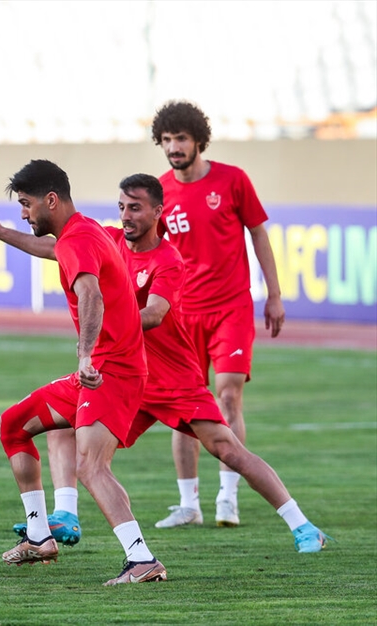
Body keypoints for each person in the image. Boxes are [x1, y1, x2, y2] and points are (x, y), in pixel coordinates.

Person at [0, 173, 327, 555]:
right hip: (121, 373)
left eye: (136, 209)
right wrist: (0, 232)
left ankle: (302, 525)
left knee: (227, 449)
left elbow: (155, 314)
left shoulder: (169, 260)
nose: (126, 216)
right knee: (64, 427)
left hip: (171, 377)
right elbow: (52, 250)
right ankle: (64, 516)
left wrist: (100, 323)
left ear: (159, 212)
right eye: (122, 207)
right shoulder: (107, 239)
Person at [0, 160, 165, 586]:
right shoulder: (82, 231)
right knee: (12, 425)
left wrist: (85, 356)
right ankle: (40, 537)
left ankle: (142, 559)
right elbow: (53, 250)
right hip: (105, 366)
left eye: (26, 204)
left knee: (91, 465)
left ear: (50, 200)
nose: (23, 212)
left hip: (111, 370)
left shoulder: (79, 239)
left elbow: (90, 294)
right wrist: (1, 233)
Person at [151, 100, 285, 528]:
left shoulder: (232, 180)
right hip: (180, 313)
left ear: (198, 140)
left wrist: (274, 294)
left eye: (181, 138)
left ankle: (228, 496)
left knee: (228, 395)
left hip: (231, 307)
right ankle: (188, 504)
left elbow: (259, 233)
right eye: (167, 139)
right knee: (184, 405)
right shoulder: (157, 193)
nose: (174, 147)